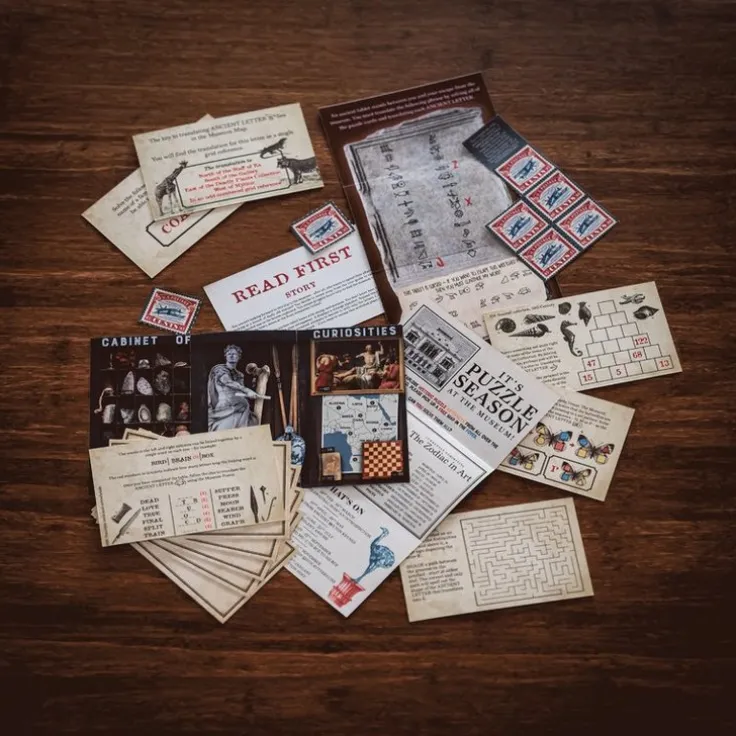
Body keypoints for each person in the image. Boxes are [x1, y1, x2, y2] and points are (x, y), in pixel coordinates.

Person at [207, 344, 270, 431]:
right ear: (225, 356)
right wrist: (247, 390)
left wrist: (250, 394)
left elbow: (240, 392)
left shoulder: (240, 375)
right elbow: (227, 381)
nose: (231, 356)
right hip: (225, 408)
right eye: (229, 354)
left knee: (252, 425)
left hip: (242, 409)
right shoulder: (219, 369)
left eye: (234, 354)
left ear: (239, 357)